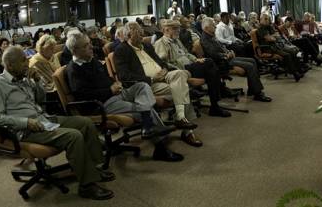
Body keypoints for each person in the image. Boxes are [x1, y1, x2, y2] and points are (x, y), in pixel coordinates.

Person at [0, 46, 115, 200]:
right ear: (10, 65)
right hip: (26, 129)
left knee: (85, 123)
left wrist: (37, 82)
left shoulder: (25, 77)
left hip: (43, 118)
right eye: (23, 60)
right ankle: (87, 185)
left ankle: (94, 168)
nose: (27, 62)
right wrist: (26, 122)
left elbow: (41, 100)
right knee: (74, 136)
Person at [65, 32, 182, 161]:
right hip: (102, 104)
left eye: (89, 44)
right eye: (86, 46)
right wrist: (110, 90)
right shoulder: (74, 69)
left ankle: (148, 126)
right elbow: (83, 95)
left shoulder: (92, 61)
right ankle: (160, 147)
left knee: (142, 86)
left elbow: (106, 79)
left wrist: (115, 84)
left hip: (117, 93)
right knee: (143, 108)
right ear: (75, 50)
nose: (91, 47)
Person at [114, 22, 199, 131]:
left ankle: (181, 118)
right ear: (129, 36)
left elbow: (160, 61)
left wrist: (164, 69)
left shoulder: (147, 46)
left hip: (164, 76)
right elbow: (124, 76)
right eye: (138, 33)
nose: (142, 36)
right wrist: (152, 79)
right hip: (149, 84)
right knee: (182, 88)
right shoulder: (122, 50)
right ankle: (185, 126)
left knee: (180, 73)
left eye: (142, 33)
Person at [155, 19, 230, 135]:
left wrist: (196, 59)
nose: (178, 31)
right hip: (181, 70)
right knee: (210, 65)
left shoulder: (177, 40)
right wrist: (179, 68)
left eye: (178, 28)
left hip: (191, 65)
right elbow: (162, 63)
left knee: (210, 68)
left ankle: (215, 104)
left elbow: (187, 53)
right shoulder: (160, 43)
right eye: (175, 28)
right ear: (166, 30)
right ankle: (215, 104)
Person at [200, 17, 272, 102]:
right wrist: (226, 54)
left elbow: (221, 47)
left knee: (252, 60)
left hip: (227, 58)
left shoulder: (211, 36)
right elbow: (213, 54)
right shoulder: (205, 39)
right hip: (221, 63)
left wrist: (229, 51)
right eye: (213, 25)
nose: (215, 26)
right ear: (206, 28)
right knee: (250, 66)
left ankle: (252, 89)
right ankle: (257, 93)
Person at [256, 13, 303, 81]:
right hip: (268, 48)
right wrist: (273, 37)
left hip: (275, 45)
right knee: (287, 55)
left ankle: (297, 70)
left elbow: (277, 36)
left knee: (293, 52)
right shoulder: (261, 28)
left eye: (268, 19)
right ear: (260, 20)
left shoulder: (269, 27)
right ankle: (295, 73)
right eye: (265, 19)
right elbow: (270, 39)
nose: (267, 20)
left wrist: (273, 36)